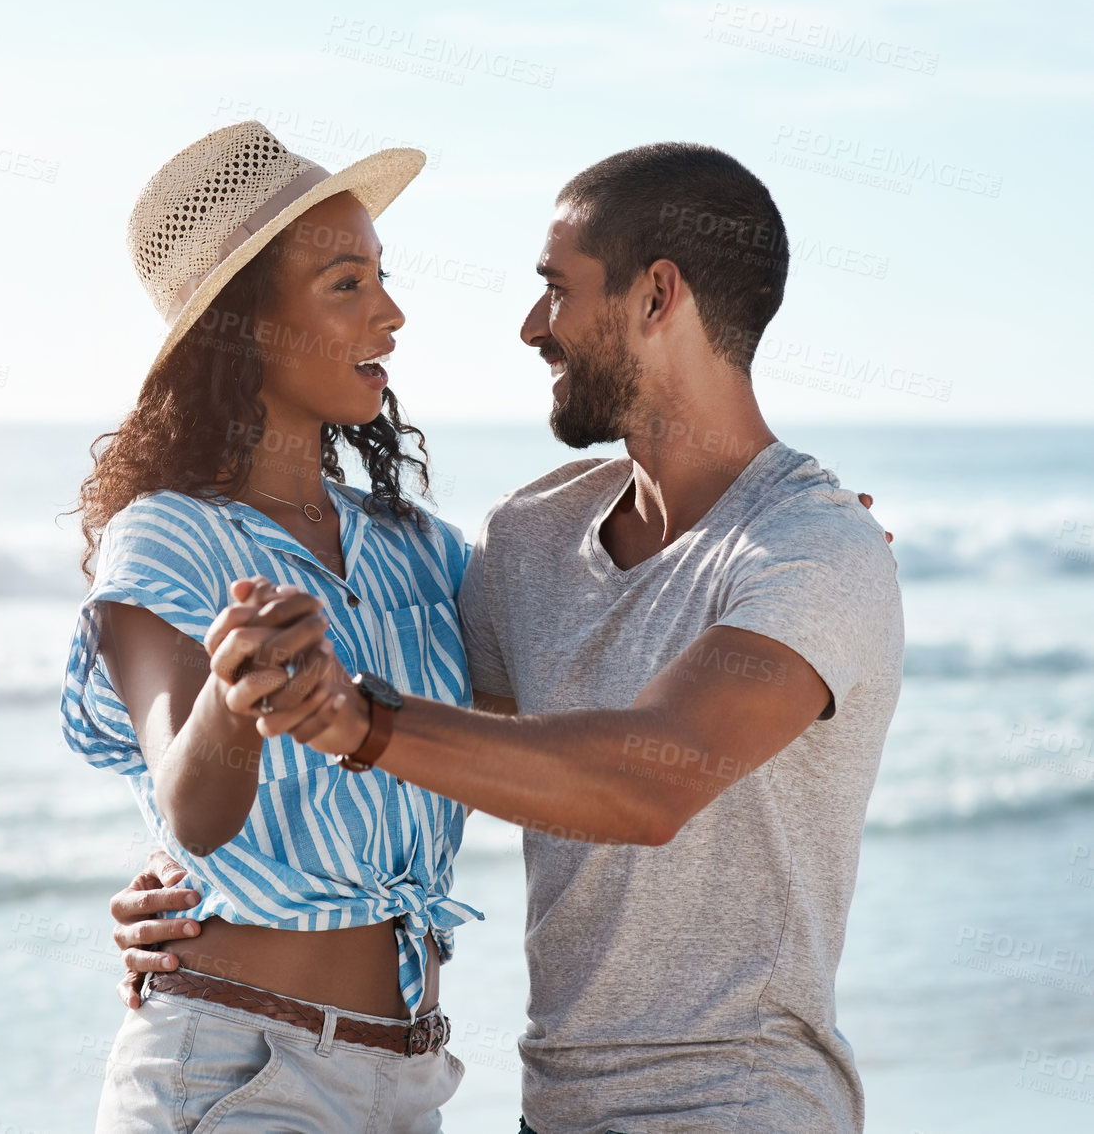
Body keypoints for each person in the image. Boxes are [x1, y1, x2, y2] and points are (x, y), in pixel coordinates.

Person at [112, 143, 905, 1134]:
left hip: (735, 1104)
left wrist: (361, 722)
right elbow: (447, 743)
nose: (533, 328)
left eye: (555, 290)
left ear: (658, 296)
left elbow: (646, 782)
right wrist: (192, 896)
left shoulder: (813, 549)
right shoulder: (529, 538)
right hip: (550, 1108)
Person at [62, 120, 483, 1132]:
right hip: (238, 1068)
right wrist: (237, 693)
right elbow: (193, 809)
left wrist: (768, 533)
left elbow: (567, 707)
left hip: (410, 1077)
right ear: (244, 326)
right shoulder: (165, 541)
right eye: (345, 285)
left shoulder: (419, 548)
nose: (390, 312)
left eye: (379, 276)